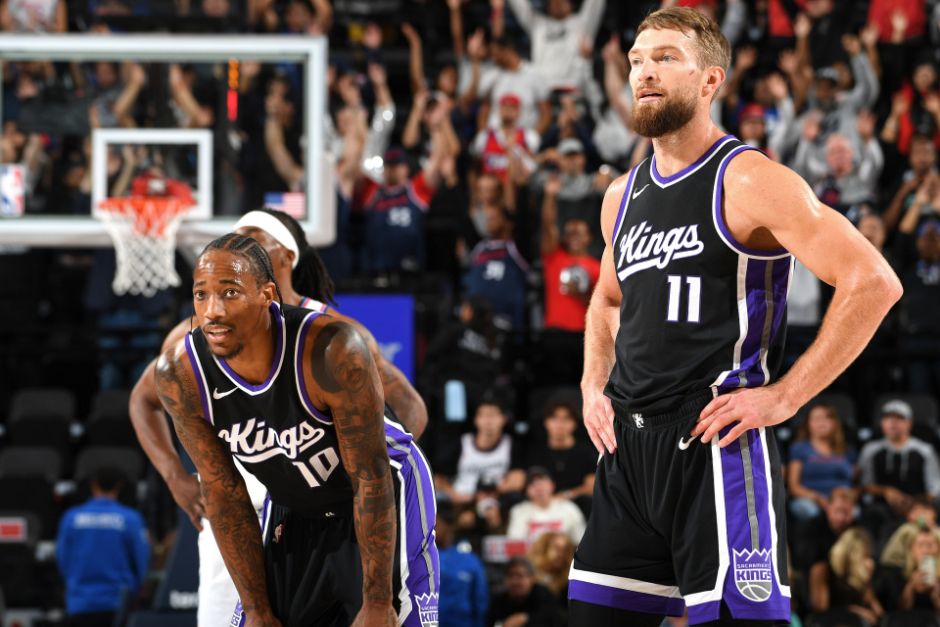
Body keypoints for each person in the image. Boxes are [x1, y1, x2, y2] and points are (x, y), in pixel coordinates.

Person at [572, 7, 901, 625]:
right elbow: (608, 299)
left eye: (665, 57)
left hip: (714, 443)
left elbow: (874, 282)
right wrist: (594, 383)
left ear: (710, 80)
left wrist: (784, 397)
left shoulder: (748, 179)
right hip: (627, 451)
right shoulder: (621, 195)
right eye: (638, 60)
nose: (645, 72)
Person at [130, 210, 428, 626]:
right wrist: (174, 476)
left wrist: (371, 447)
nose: (212, 309)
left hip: (362, 487)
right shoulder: (187, 356)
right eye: (201, 294)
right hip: (279, 494)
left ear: (280, 267)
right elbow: (219, 488)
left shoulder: (332, 342)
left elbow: (384, 452)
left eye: (229, 291)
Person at [56, 467, 150, 627]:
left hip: (80, 602)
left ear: (93, 485)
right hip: (117, 603)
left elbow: (62, 559)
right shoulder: (130, 519)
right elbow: (141, 561)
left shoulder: (71, 518)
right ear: (119, 486)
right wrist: (137, 589)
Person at [786, 403, 856, 522]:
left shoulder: (847, 450)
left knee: (854, 511)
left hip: (842, 498)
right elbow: (794, 487)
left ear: (835, 423)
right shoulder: (799, 448)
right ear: (808, 424)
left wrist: (842, 499)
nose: (821, 422)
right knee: (808, 509)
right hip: (810, 498)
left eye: (826, 418)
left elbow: (855, 483)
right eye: (816, 418)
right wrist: (818, 498)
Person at [506, 466, 586, 546]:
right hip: (532, 553)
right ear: (526, 490)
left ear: (552, 485)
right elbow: (515, 543)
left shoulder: (569, 508)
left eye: (542, 482)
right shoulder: (519, 511)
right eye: (532, 484)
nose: (539, 488)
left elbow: (580, 541)